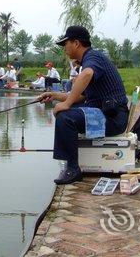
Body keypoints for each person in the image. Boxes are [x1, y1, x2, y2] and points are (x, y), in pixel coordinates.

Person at [38, 26, 128, 185]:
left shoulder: (92, 58)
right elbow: (81, 96)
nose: (65, 48)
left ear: (76, 43)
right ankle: (70, 162)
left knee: (65, 117)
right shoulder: (92, 59)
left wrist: (66, 104)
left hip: (113, 118)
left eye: (66, 44)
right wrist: (54, 96)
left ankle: (73, 169)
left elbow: (86, 74)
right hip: (106, 114)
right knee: (66, 111)